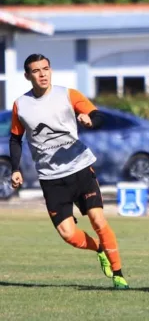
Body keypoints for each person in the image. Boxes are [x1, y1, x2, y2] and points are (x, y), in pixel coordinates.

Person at [10, 53, 129, 290]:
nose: (42, 74)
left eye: (46, 68)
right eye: (36, 71)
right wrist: (15, 169)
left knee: (97, 219)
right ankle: (99, 249)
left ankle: (119, 275)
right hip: (51, 178)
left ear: (51, 70)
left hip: (80, 168)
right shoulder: (21, 105)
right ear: (27, 76)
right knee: (67, 234)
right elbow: (15, 139)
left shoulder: (68, 94)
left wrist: (90, 121)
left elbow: (98, 115)